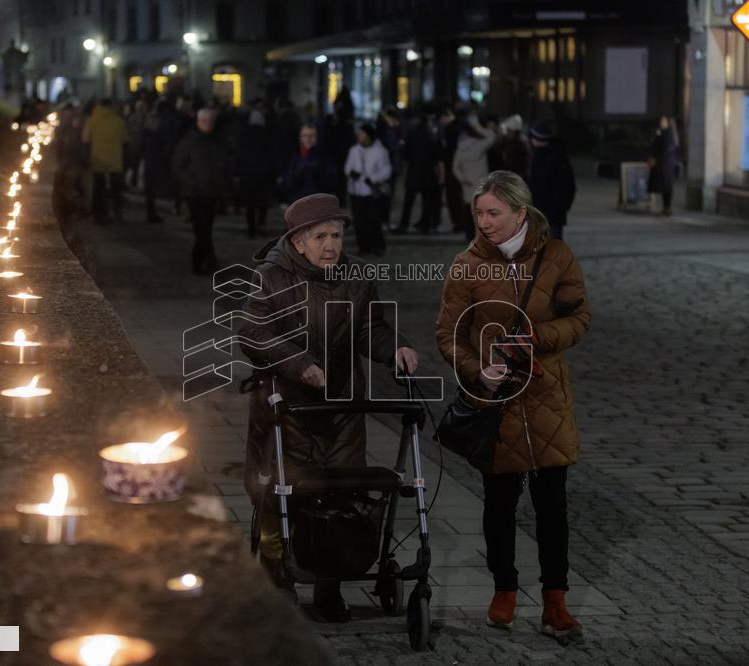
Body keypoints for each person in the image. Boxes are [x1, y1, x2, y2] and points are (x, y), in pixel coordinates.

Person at [239, 193, 419, 622]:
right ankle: (278, 575)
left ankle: (329, 585)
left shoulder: (356, 276)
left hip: (341, 408)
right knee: (279, 495)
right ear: (298, 241)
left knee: (340, 492)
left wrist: (395, 348)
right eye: (320, 236)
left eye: (336, 235)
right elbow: (253, 333)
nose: (331, 245)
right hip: (287, 408)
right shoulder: (271, 277)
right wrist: (299, 365)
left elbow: (370, 328)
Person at [435, 170, 591, 642]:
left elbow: (580, 318)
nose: (483, 222)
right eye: (479, 213)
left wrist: (540, 337)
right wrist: (474, 370)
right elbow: (448, 334)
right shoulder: (466, 265)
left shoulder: (557, 256)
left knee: (551, 504)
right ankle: (504, 588)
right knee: (499, 503)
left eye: (493, 213)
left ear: (520, 213)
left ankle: (555, 601)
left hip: (545, 399)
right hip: (495, 402)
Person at [171, 107, 228, 274]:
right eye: (204, 121)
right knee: (201, 229)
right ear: (198, 122)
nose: (207, 124)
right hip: (195, 193)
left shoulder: (216, 141)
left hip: (211, 192)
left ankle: (203, 262)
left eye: (210, 121)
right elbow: (177, 165)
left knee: (206, 229)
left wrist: (222, 183)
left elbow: (222, 164)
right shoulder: (189, 141)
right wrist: (192, 181)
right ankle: (206, 261)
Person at [344, 123, 392, 256]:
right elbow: (348, 167)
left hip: (371, 192)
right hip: (356, 191)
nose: (359, 136)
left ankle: (378, 246)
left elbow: (386, 170)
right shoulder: (354, 150)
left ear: (368, 135)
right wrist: (354, 174)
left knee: (374, 220)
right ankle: (363, 246)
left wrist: (373, 178)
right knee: (359, 221)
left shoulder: (380, 151)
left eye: (361, 133)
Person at [527, 121, 575, 240]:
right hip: (554, 212)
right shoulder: (558, 156)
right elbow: (569, 186)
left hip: (547, 212)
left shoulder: (542, 158)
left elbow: (538, 186)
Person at [396, 113, 444, 233]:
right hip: (427, 174)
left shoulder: (411, 134)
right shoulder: (431, 136)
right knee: (426, 202)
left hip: (413, 173)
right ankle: (425, 225)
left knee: (408, 202)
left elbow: (406, 155)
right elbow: (436, 156)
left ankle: (404, 224)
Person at [452, 115, 497, 241]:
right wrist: (478, 126)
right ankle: (481, 237)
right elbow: (492, 136)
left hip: (468, 184)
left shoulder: (460, 149)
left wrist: (462, 179)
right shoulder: (480, 145)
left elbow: (455, 168)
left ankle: (469, 237)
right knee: (482, 211)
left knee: (469, 211)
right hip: (481, 182)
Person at [82, 98, 127, 224]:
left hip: (98, 160)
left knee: (98, 189)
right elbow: (124, 141)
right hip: (115, 160)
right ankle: (117, 213)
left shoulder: (92, 120)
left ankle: (99, 214)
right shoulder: (119, 121)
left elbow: (85, 140)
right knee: (116, 190)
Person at [234, 109, 277, 239]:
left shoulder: (244, 134)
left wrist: (238, 172)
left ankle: (251, 229)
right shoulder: (267, 134)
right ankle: (261, 225)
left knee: (250, 205)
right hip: (263, 174)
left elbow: (239, 155)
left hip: (248, 175)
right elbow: (272, 155)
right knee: (262, 203)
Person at [142, 97, 182, 224]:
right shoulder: (171, 120)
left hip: (151, 157)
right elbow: (172, 140)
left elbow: (144, 136)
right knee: (173, 182)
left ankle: (151, 212)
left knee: (151, 187)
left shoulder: (152, 120)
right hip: (164, 156)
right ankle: (175, 206)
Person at [282, 123, 337, 204]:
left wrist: (316, 174)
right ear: (300, 138)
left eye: (312, 135)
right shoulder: (294, 156)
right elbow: (288, 183)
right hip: (298, 201)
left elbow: (331, 181)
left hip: (319, 201)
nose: (308, 138)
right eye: (304, 135)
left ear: (317, 137)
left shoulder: (325, 156)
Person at [648, 115, 679, 216]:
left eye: (663, 121)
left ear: (668, 122)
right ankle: (666, 207)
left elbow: (665, 148)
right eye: (661, 120)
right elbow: (655, 146)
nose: (661, 122)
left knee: (667, 186)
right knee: (664, 187)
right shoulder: (662, 132)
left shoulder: (668, 133)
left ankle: (667, 207)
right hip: (663, 164)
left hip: (666, 164)